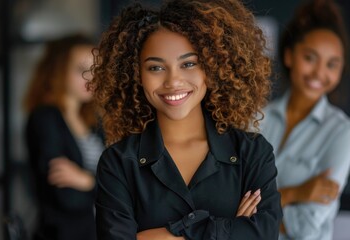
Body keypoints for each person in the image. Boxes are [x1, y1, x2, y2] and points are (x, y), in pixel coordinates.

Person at [89, 0, 282, 239]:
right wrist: (229, 230)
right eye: (156, 68)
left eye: (188, 64)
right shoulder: (118, 162)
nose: (173, 81)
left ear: (213, 69)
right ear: (137, 75)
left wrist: (167, 236)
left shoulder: (252, 153)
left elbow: (263, 234)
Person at [260, 0, 350, 239]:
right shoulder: (257, 117)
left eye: (332, 64)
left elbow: (305, 229)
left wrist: (253, 209)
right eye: (310, 58)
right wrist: (295, 193)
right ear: (289, 56)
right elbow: (229, 200)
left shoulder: (342, 132)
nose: (320, 73)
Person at [23, 34, 104, 240]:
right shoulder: (45, 117)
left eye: (95, 70)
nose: (91, 77)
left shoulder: (92, 121)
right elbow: (67, 198)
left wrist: (88, 181)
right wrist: (102, 186)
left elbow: (127, 184)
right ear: (59, 71)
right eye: (81, 70)